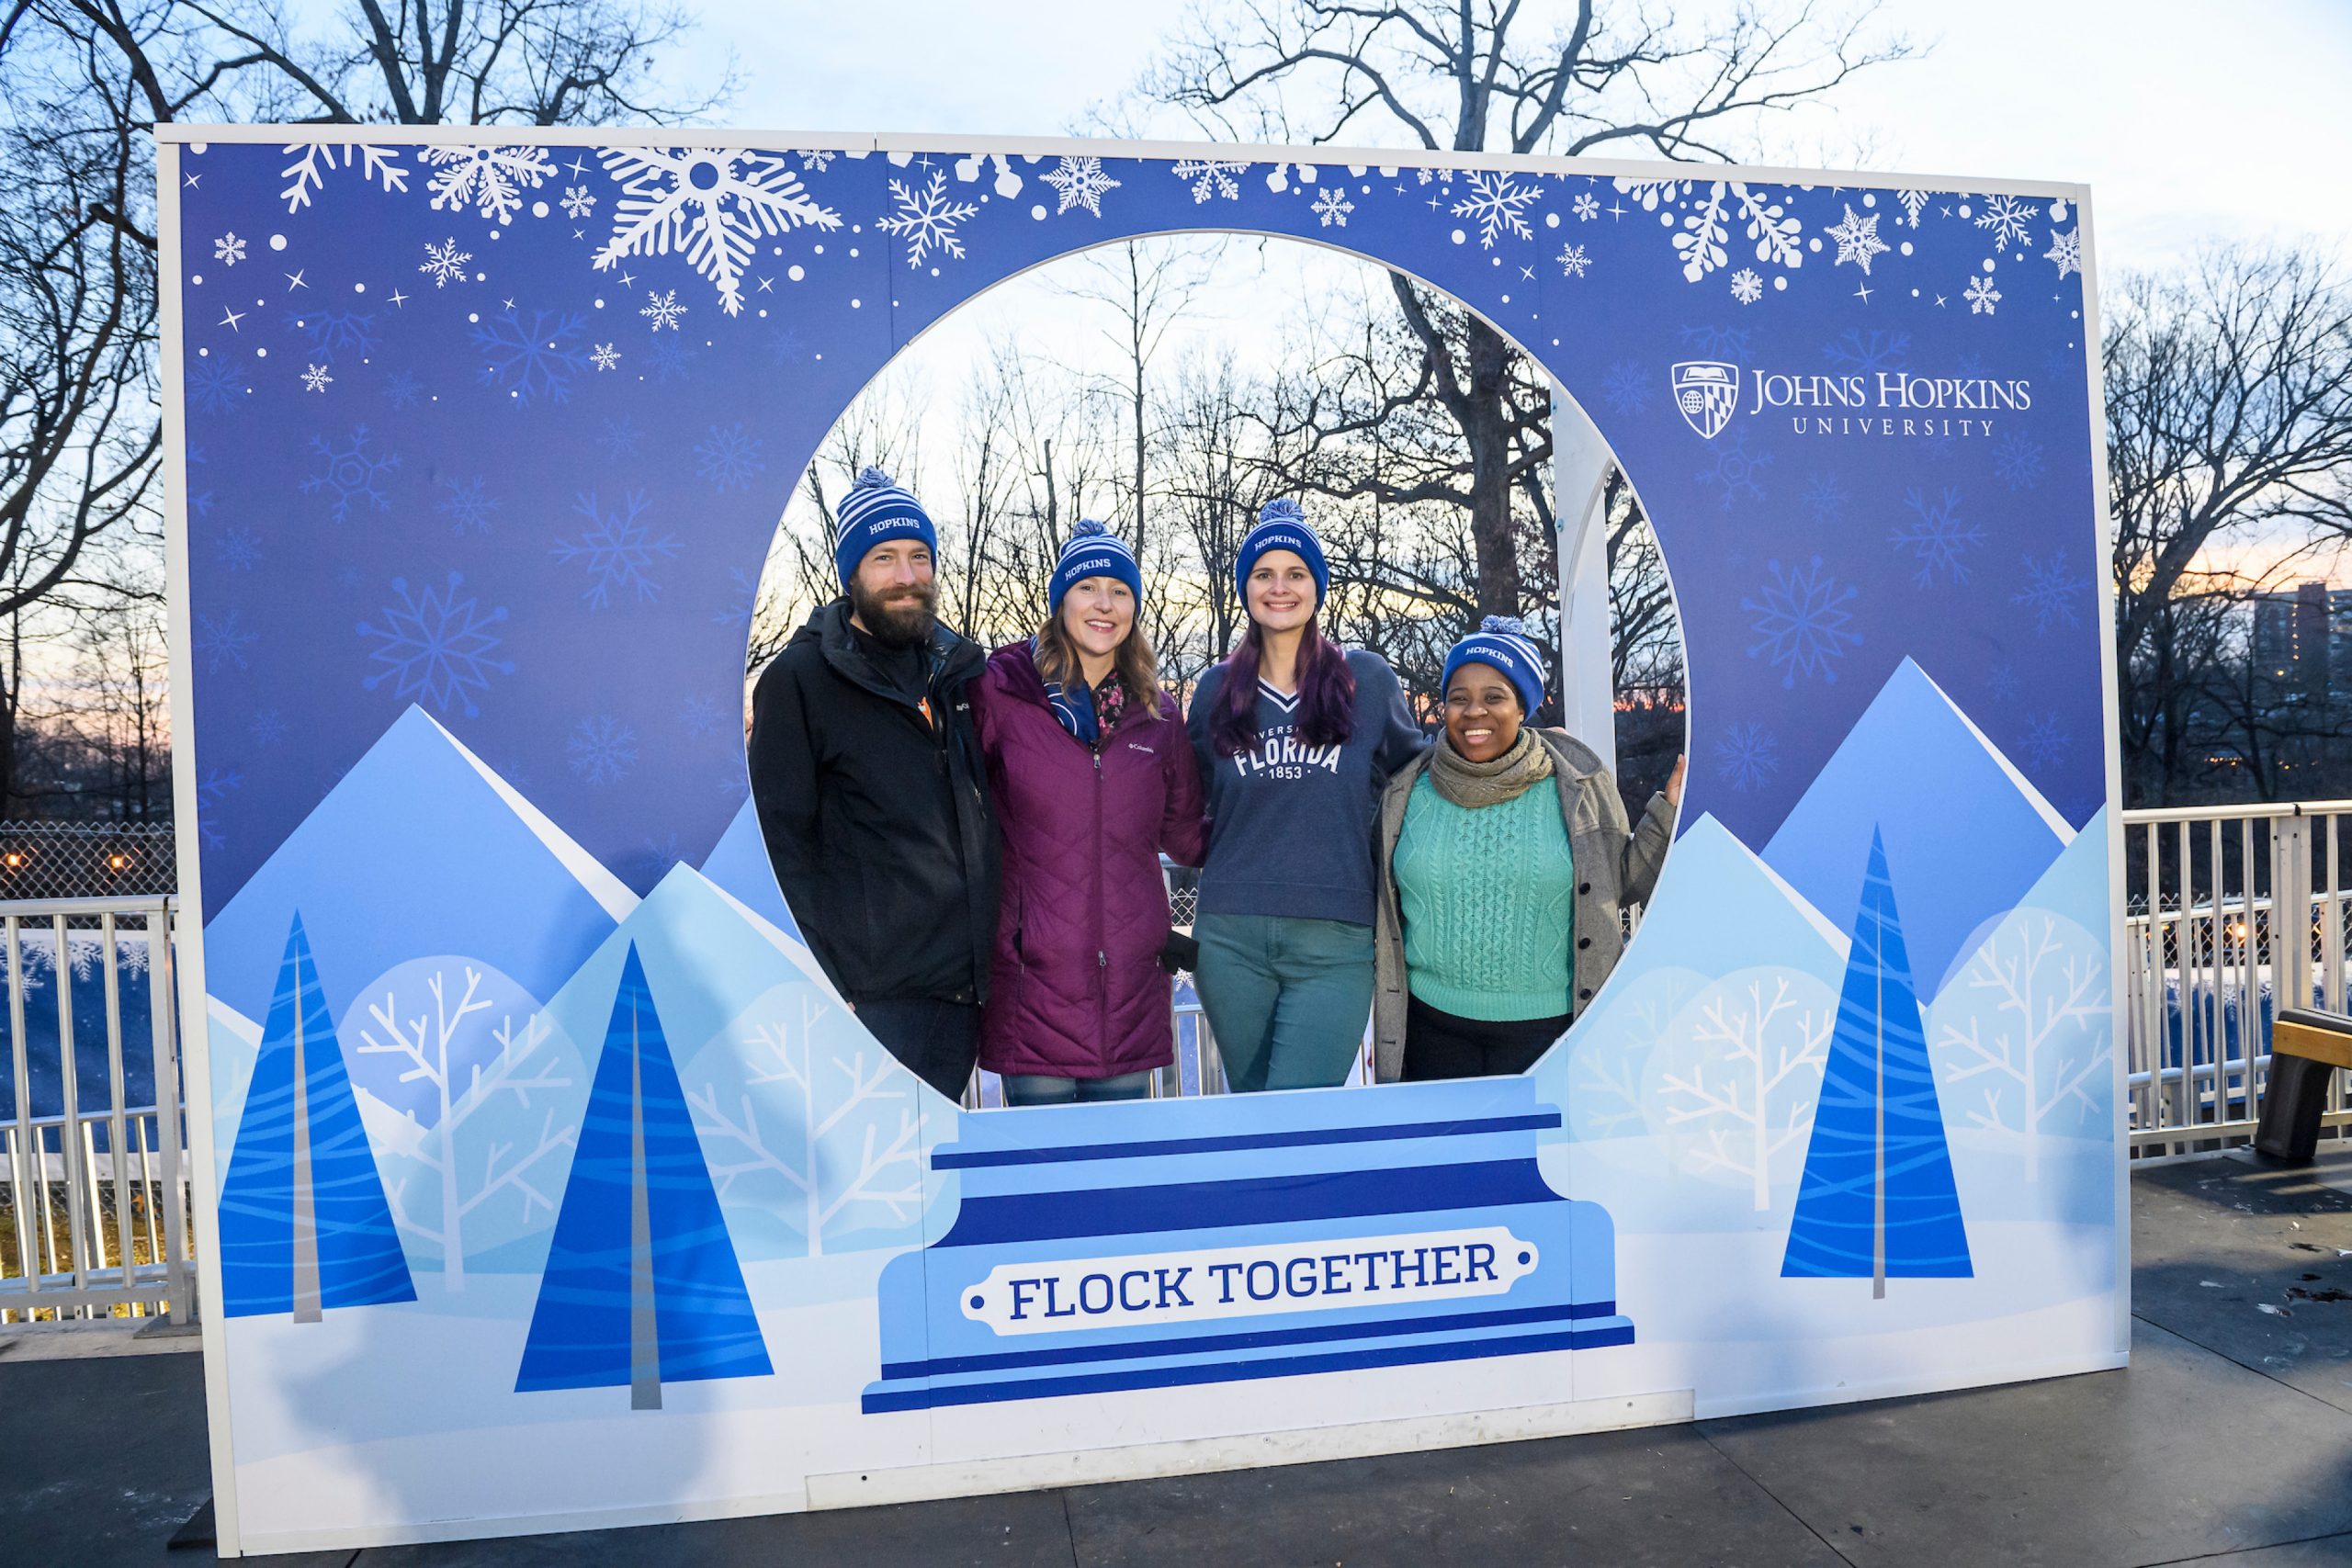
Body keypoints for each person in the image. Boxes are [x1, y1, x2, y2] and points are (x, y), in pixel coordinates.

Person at [746, 466, 999, 1101]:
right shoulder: (799, 681)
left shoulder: (953, 676)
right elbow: (779, 850)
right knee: (862, 1191)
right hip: (868, 1003)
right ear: (851, 573)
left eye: (919, 557)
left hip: (959, 997)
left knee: (930, 1191)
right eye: (884, 558)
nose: (907, 576)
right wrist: (829, 987)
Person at [1371, 616, 1684, 1082]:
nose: (1474, 712)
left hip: (1552, 1036)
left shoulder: (1577, 786)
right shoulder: (1407, 792)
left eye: (1494, 697)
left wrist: (1667, 813)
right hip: (1431, 1033)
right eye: (1459, 699)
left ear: (1522, 708)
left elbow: (1625, 884)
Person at [1186, 499, 1426, 1093]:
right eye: (1264, 574)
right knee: (1252, 1118)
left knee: (1298, 1115)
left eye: (1296, 573)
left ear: (1317, 587)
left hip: (1334, 938)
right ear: (1245, 588)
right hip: (1229, 938)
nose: (1280, 587)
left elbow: (1422, 774)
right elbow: (1183, 797)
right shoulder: (1216, 690)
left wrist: (1516, 756)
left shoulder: (1364, 680)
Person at [969, 521, 1206, 1107]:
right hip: (1035, 984)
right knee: (1042, 1179)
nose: (1105, 604)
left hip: (1128, 987)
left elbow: (1187, 834)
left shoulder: (1158, 716)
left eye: (1120, 591)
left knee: (1118, 1183)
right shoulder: (1003, 695)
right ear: (1060, 603)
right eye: (1088, 587)